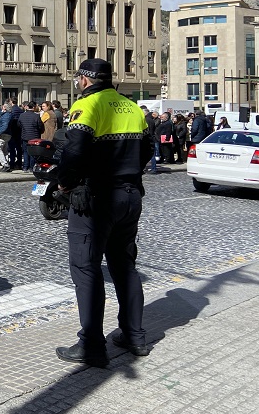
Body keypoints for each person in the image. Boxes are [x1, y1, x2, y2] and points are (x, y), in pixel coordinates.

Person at [55, 58, 154, 368]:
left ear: (85, 80)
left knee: (86, 268)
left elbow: (74, 152)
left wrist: (63, 184)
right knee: (125, 266)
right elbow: (148, 150)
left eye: (77, 78)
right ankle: (134, 336)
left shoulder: (88, 107)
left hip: (97, 199)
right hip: (130, 195)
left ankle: (92, 345)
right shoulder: (132, 107)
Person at [18, 101, 45, 172]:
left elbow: (19, 125)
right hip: (34, 136)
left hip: (25, 136)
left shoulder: (22, 115)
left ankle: (25, 167)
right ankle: (31, 167)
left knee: (25, 152)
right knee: (33, 153)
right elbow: (40, 126)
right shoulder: (36, 116)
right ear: (33, 107)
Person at [0, 102, 13, 172]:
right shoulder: (6, 114)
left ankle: (5, 164)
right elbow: (0, 112)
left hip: (3, 134)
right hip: (6, 134)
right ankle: (6, 164)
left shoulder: (6, 116)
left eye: (3, 107)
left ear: (4, 108)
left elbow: (5, 126)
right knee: (4, 150)